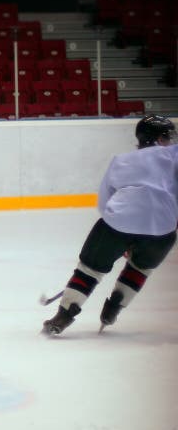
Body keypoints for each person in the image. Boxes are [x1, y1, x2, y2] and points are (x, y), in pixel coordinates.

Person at [42, 114, 178, 335]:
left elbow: (105, 201)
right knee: (140, 268)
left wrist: (120, 234)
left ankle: (64, 314)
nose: (170, 141)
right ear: (159, 138)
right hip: (162, 229)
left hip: (118, 222)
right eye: (167, 136)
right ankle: (115, 306)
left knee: (90, 268)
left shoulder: (121, 160)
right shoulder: (174, 155)